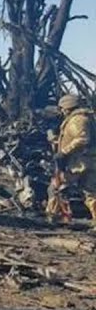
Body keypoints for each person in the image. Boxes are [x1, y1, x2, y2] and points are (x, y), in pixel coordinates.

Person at [54, 93, 96, 225]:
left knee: (57, 187)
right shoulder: (87, 118)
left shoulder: (77, 120)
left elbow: (82, 139)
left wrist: (63, 152)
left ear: (68, 107)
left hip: (79, 163)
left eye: (62, 108)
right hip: (89, 160)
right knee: (91, 193)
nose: (61, 111)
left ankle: (56, 217)